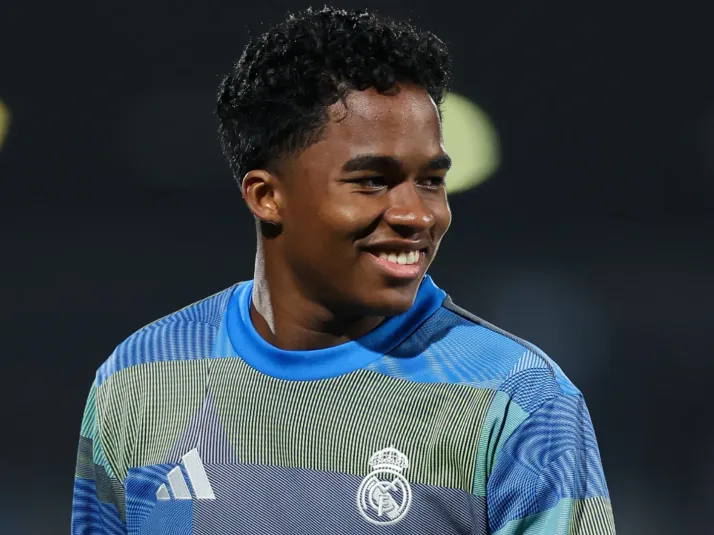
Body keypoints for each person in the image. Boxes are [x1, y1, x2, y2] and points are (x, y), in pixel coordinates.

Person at [71, 7, 616, 534]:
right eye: (372, 181)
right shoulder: (138, 379)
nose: (418, 215)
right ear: (266, 196)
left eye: (431, 181)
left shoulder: (518, 399)